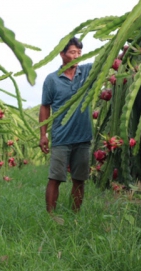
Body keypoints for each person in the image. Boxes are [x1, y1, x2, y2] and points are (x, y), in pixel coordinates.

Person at [39, 37, 93, 215]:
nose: (76, 56)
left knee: (79, 179)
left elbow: (108, 64)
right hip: (61, 137)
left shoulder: (87, 72)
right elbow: (45, 107)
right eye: (72, 52)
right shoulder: (52, 80)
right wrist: (43, 135)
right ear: (62, 54)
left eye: (79, 53)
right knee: (55, 178)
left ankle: (74, 216)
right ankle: (51, 216)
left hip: (83, 137)